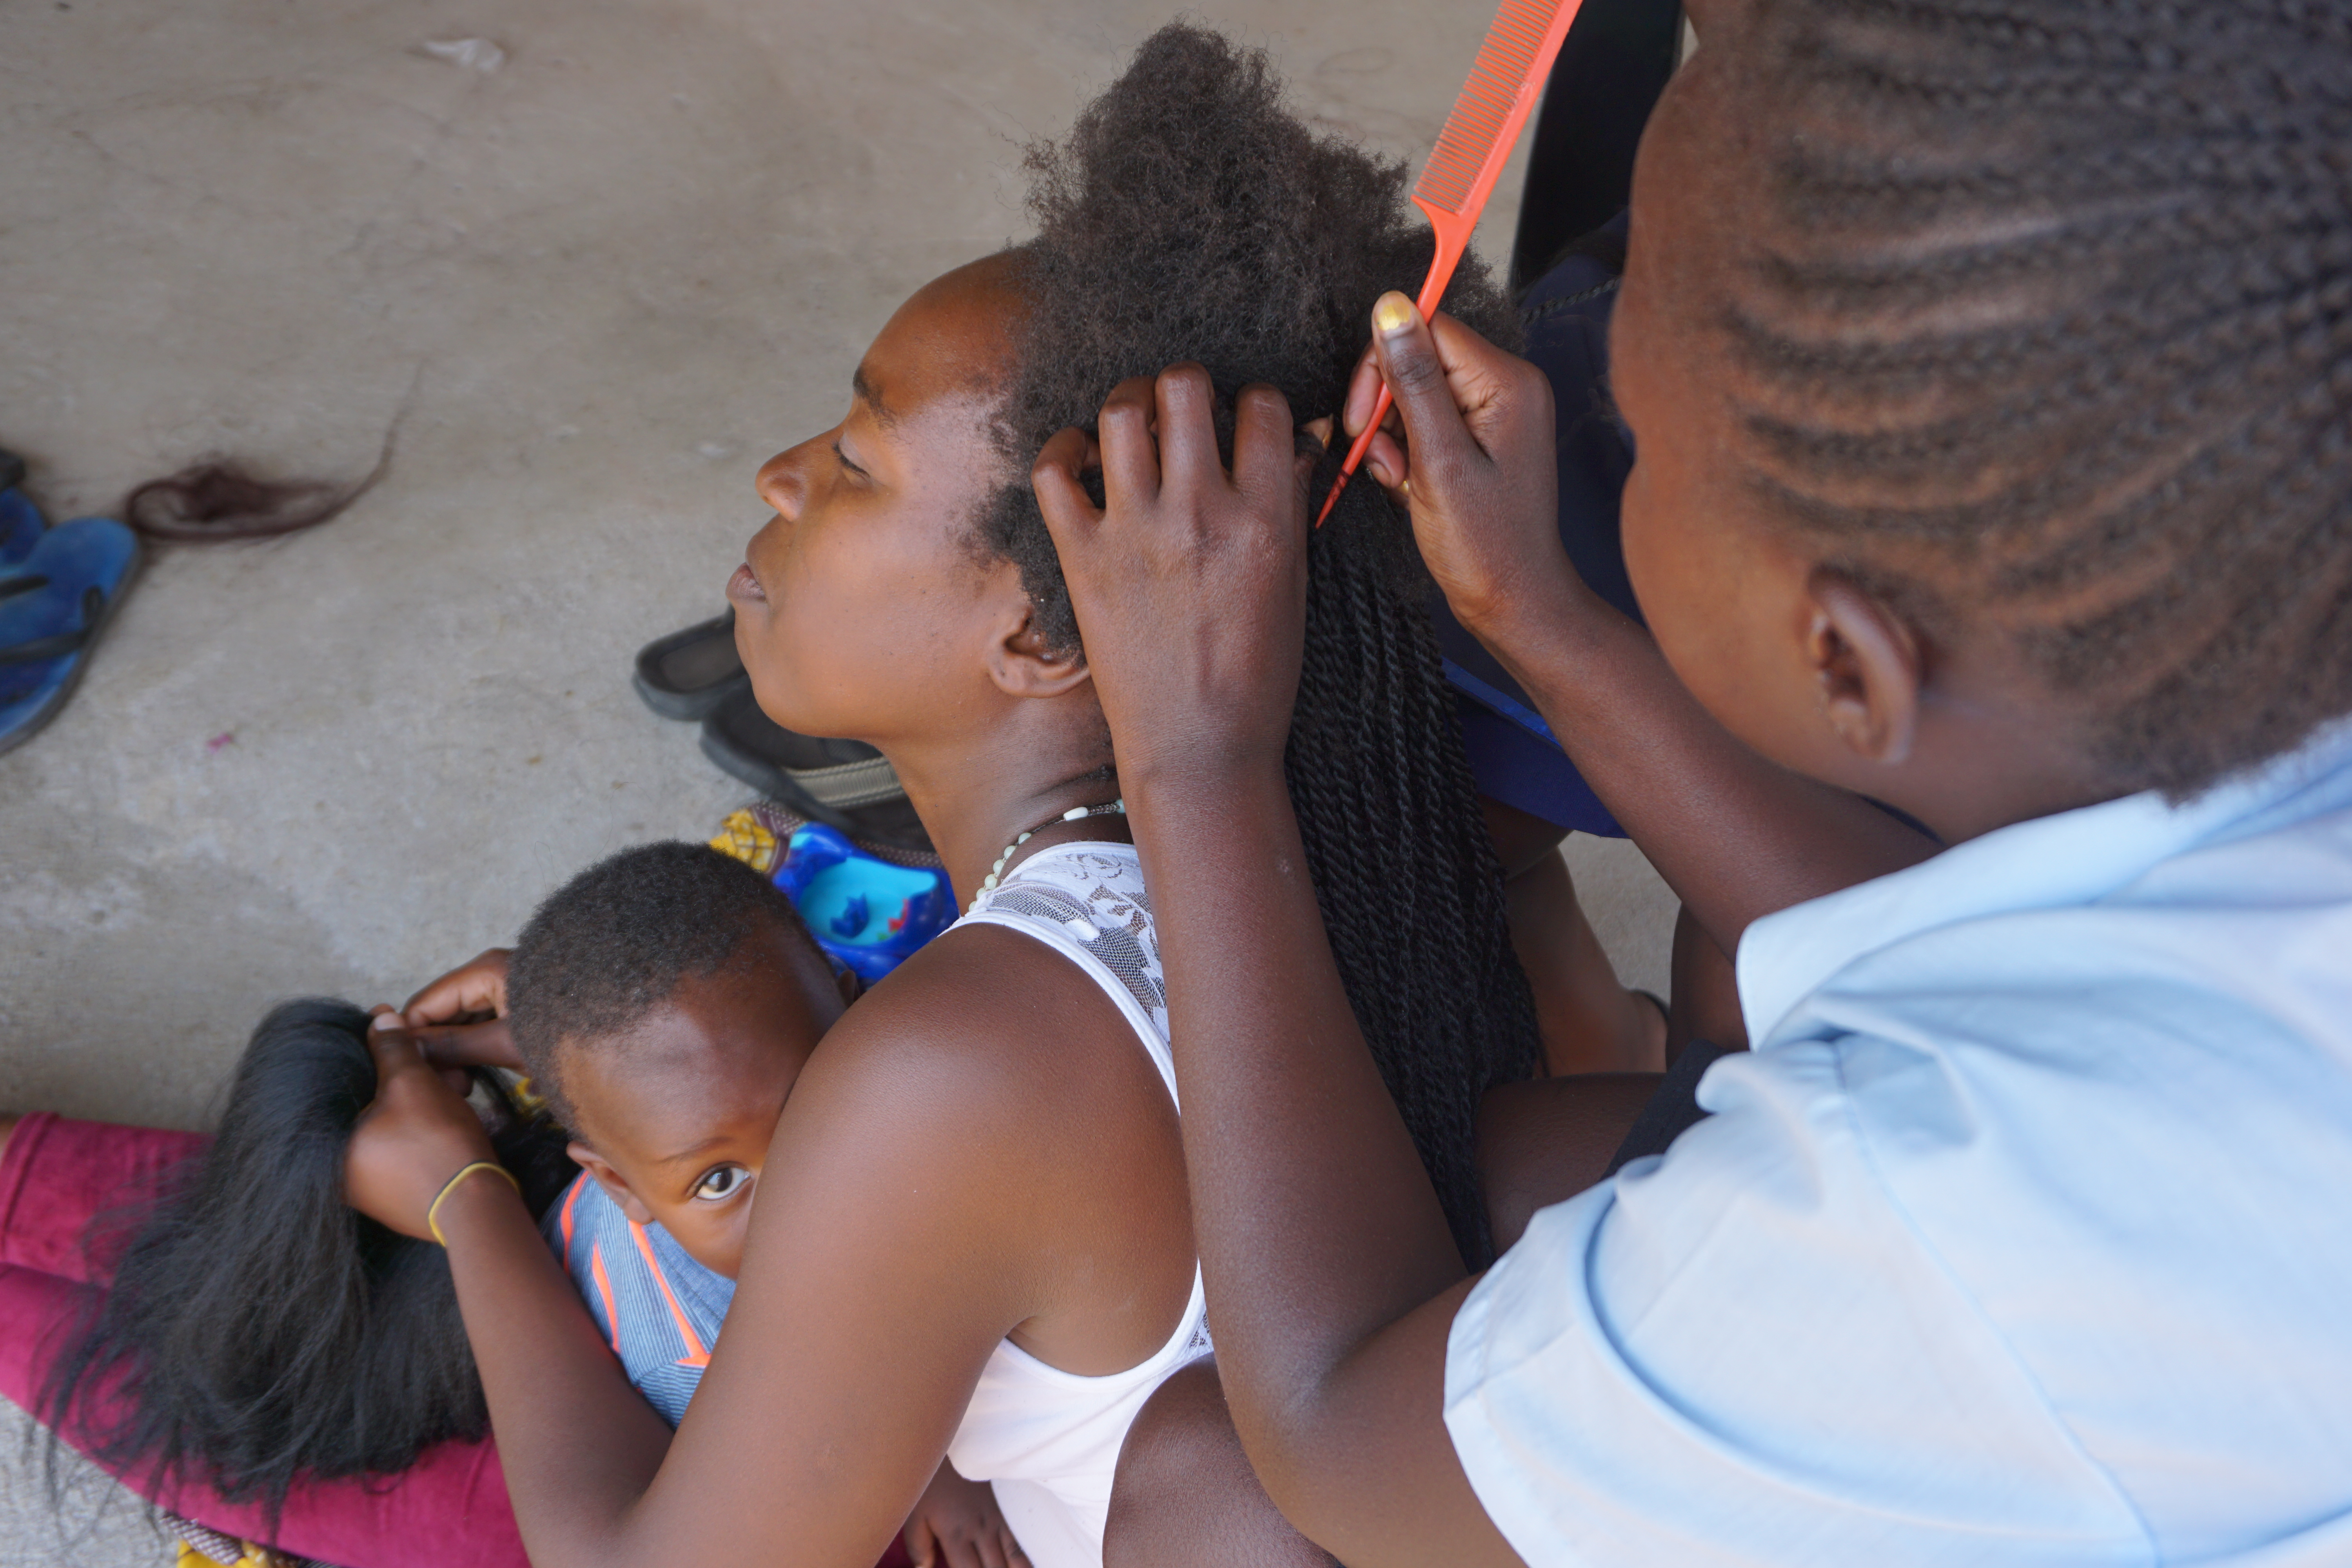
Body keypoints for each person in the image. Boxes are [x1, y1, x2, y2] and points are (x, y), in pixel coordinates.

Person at [1027, 0, 2352, 1564]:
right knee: (1532, 1147)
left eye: (1641, 443)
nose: (1605, 430)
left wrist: (1196, 752)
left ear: (1846, 661)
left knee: (1213, 1496)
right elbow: (1988, 957)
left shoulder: (1931, 1235)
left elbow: (1332, 1427)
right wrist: (1549, 622)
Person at [352, 24, 1580, 1568]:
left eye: (856, 457)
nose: (779, 477)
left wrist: (461, 1194)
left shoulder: (965, 1068)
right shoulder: (1392, 847)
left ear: (1032, 626)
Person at [13, 844, 1007, 1568]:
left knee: (197, 1308)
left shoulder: (943, 1144)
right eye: (721, 1179)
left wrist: (940, 1465)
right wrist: (490, 1169)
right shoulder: (718, 1347)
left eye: (814, 1112)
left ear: (858, 1003)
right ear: (617, 1179)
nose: (807, 1201)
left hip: (542, 1334)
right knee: (208, 1393)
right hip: (586, 1414)